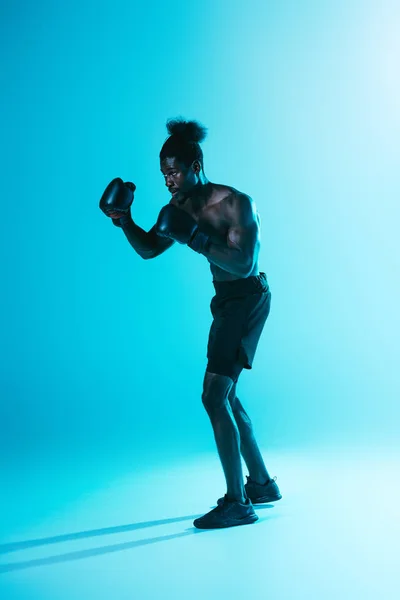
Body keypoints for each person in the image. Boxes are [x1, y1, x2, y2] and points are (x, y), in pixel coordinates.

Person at [99, 118, 282, 529]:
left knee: (213, 395)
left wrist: (196, 238)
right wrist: (124, 220)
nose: (169, 180)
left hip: (249, 297)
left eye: (175, 171)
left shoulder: (236, 203)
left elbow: (244, 263)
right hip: (225, 301)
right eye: (163, 174)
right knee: (227, 395)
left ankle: (237, 503)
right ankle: (262, 484)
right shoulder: (178, 208)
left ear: (196, 162)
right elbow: (149, 249)